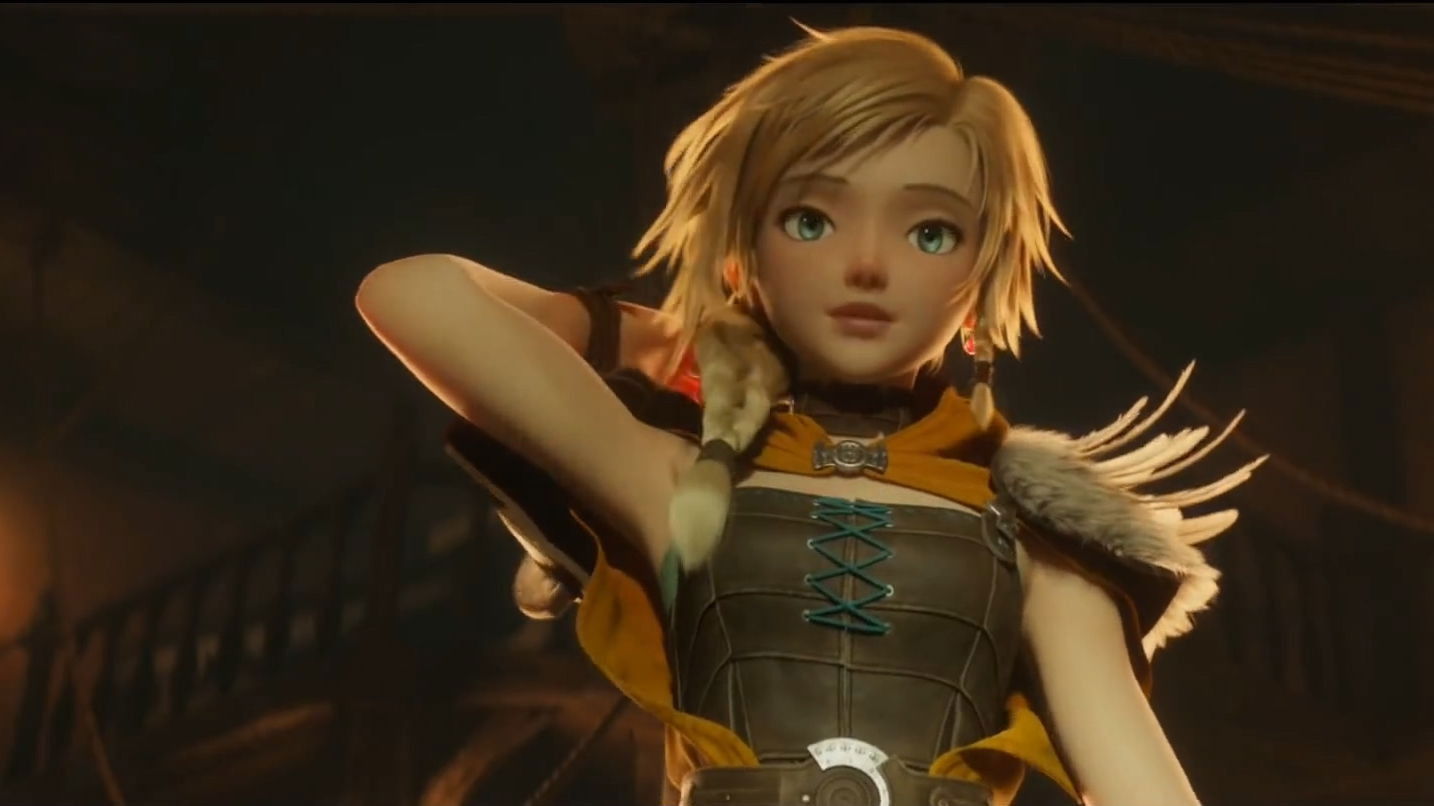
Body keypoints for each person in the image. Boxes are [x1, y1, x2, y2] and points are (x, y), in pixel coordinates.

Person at [355, 23, 1262, 806]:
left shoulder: (1037, 550)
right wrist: (669, 338)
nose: (867, 264)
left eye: (931, 231)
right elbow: (413, 292)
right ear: (743, 249)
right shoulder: (680, 484)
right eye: (811, 221)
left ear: (981, 278)